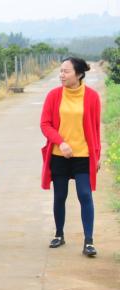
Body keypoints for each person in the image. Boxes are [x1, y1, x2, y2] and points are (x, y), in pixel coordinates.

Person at [41, 57, 101, 257]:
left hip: (83, 155)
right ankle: (59, 234)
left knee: (85, 195)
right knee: (60, 195)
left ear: (79, 74)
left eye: (66, 71)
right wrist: (61, 142)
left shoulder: (92, 97)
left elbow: (95, 128)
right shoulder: (54, 96)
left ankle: (89, 241)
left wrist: (97, 154)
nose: (61, 75)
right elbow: (45, 124)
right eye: (61, 71)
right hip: (59, 155)